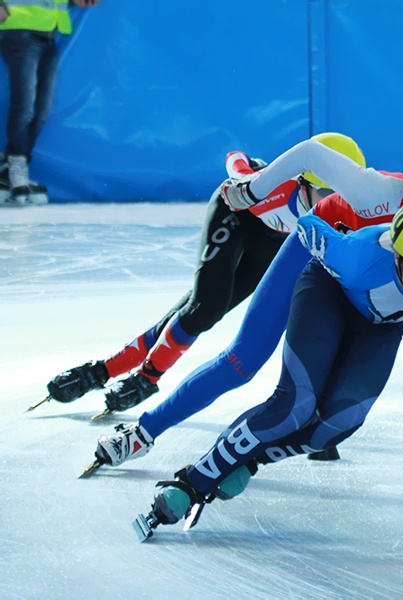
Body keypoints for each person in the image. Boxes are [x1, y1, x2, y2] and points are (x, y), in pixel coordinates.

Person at [90, 136, 403, 470]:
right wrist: (252, 190)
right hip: (312, 252)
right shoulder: (376, 194)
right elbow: (312, 154)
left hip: (354, 282)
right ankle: (144, 432)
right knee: (242, 362)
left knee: (338, 376)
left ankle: (279, 441)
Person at [133, 195, 403, 536]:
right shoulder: (357, 258)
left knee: (341, 423)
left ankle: (251, 460)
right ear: (398, 254)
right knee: (294, 406)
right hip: (327, 294)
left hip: (380, 327)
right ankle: (193, 482)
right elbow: (307, 225)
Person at [42, 132, 367, 417]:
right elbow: (234, 161)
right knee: (206, 306)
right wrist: (246, 165)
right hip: (235, 214)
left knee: (201, 311)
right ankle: (147, 377)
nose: (335, 203)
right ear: (303, 183)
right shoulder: (271, 186)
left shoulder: (353, 207)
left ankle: (105, 369)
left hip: (272, 239)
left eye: (343, 195)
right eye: (327, 194)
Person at [0, 0, 99, 206]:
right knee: (24, 106)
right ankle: (16, 168)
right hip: (20, 31)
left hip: (49, 35)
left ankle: (10, 169)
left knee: (41, 111)